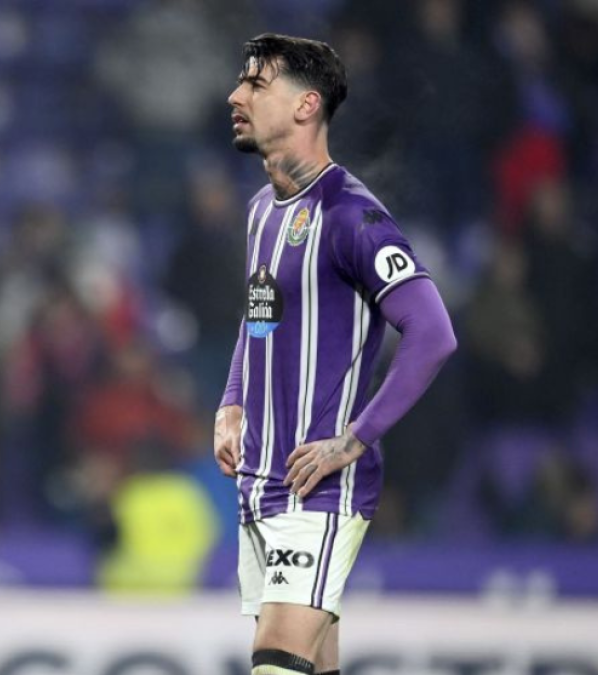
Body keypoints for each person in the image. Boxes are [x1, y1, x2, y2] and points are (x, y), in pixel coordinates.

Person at [213, 35, 456, 675]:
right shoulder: (262, 210)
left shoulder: (352, 216)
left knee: (275, 665)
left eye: (256, 85)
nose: (235, 96)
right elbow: (260, 315)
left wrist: (354, 440)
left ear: (306, 105)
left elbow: (433, 332)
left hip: (318, 489)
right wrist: (232, 400)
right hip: (262, 481)